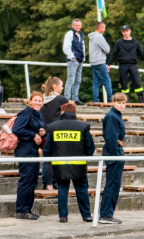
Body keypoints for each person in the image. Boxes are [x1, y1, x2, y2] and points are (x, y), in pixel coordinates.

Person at [46, 101, 95, 222]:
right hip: (79, 164)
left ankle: (63, 216)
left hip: (60, 164)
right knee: (82, 190)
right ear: (74, 112)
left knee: (62, 190)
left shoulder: (53, 127)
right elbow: (90, 147)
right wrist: (85, 157)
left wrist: (49, 161)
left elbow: (47, 148)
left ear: (63, 112)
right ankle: (86, 215)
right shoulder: (83, 126)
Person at [11, 91, 46, 219]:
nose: (37, 103)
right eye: (35, 100)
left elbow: (38, 129)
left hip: (33, 150)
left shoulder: (39, 114)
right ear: (30, 101)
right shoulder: (26, 112)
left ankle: (27, 210)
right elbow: (17, 129)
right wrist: (33, 135)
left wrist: (42, 132)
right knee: (26, 180)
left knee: (32, 180)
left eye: (40, 101)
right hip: (25, 150)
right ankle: (21, 211)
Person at [98, 93, 127, 224]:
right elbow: (110, 138)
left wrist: (119, 142)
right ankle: (106, 215)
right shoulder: (111, 116)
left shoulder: (116, 115)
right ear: (113, 102)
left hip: (116, 153)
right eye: (119, 102)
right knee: (112, 185)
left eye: (123, 103)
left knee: (114, 185)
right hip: (114, 155)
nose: (121, 105)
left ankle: (107, 214)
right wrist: (117, 151)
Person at [106, 25, 144, 103]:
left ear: (130, 31)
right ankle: (126, 100)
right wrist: (109, 64)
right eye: (124, 31)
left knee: (137, 82)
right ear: (122, 32)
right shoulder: (119, 42)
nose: (125, 33)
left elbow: (142, 54)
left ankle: (141, 99)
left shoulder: (136, 42)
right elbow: (114, 54)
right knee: (123, 83)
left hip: (133, 65)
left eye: (127, 31)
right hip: (123, 65)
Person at [39, 77, 68, 190]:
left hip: (44, 133)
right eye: (61, 85)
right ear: (55, 86)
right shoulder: (61, 99)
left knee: (47, 159)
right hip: (56, 132)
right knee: (56, 159)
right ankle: (53, 181)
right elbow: (67, 114)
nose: (62, 88)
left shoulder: (42, 99)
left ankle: (46, 181)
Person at [62, 18, 85, 104]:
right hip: (73, 60)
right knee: (71, 79)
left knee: (78, 80)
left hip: (80, 60)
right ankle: (67, 98)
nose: (78, 27)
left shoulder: (81, 35)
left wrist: (83, 58)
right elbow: (66, 47)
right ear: (72, 25)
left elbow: (82, 47)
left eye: (79, 25)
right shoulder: (69, 34)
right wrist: (72, 57)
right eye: (76, 25)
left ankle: (75, 98)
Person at [88, 21, 111, 102]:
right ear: (100, 28)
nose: (104, 30)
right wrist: (102, 49)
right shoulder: (99, 37)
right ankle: (111, 99)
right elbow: (107, 49)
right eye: (104, 28)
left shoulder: (92, 37)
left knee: (96, 82)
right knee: (107, 81)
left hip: (93, 63)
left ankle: (96, 100)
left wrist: (102, 49)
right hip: (100, 62)